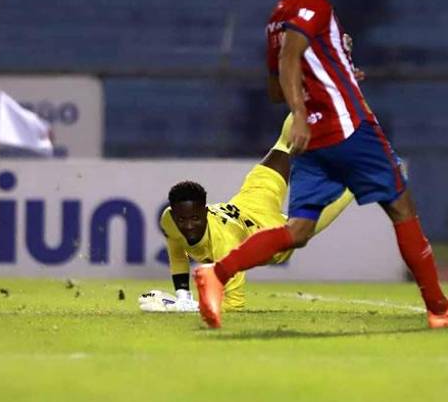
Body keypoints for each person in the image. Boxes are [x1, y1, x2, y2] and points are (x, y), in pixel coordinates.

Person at [192, 0, 448, 329]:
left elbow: (278, 83)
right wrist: (301, 111)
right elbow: (292, 58)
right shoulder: (313, 7)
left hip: (313, 143)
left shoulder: (277, 16)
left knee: (297, 230)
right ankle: (438, 307)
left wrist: (333, 78)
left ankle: (218, 273)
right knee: (402, 206)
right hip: (348, 130)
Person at [146, 112, 354, 313]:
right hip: (256, 217)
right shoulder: (169, 219)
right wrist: (183, 297)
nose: (189, 226)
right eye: (182, 219)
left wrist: (189, 309)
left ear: (205, 210)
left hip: (262, 221)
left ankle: (314, 100)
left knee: (286, 150)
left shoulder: (224, 245)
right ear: (173, 215)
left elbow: (234, 305)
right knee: (284, 149)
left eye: (195, 218)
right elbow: (177, 246)